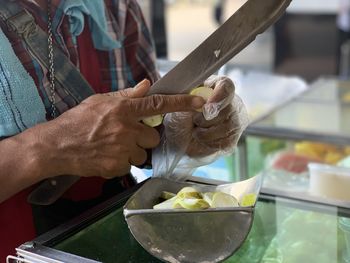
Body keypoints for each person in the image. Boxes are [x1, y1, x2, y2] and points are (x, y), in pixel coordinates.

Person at [0, 0, 242, 260]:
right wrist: (49, 147)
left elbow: (148, 127)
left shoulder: (116, 7)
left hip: (111, 236)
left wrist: (185, 130)